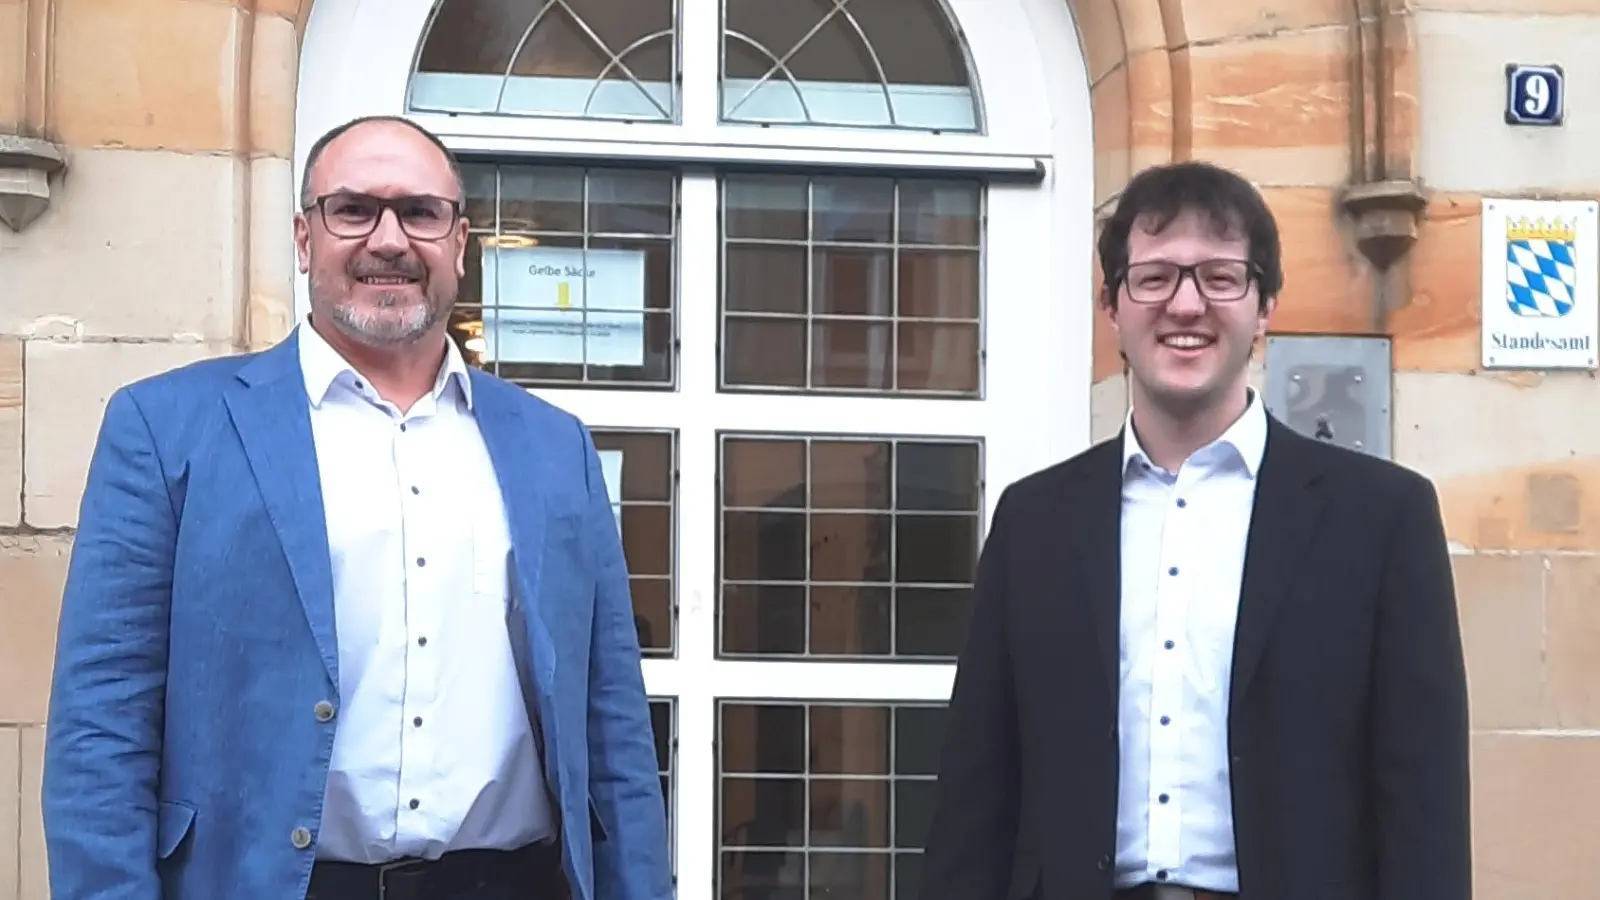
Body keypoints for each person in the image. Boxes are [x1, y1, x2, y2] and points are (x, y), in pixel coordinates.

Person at [41, 115, 673, 900]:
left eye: (420, 212)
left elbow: (614, 733)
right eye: (353, 210)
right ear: (305, 240)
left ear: (460, 245)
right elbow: (101, 727)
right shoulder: (168, 429)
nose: (389, 239)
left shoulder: (555, 450)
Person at [919, 161, 1470, 900]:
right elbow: (975, 799)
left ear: (1266, 304)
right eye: (1153, 278)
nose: (1186, 304)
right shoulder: (1033, 523)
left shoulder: (1381, 519)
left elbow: (1423, 802)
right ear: (1111, 306)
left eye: (1220, 276)